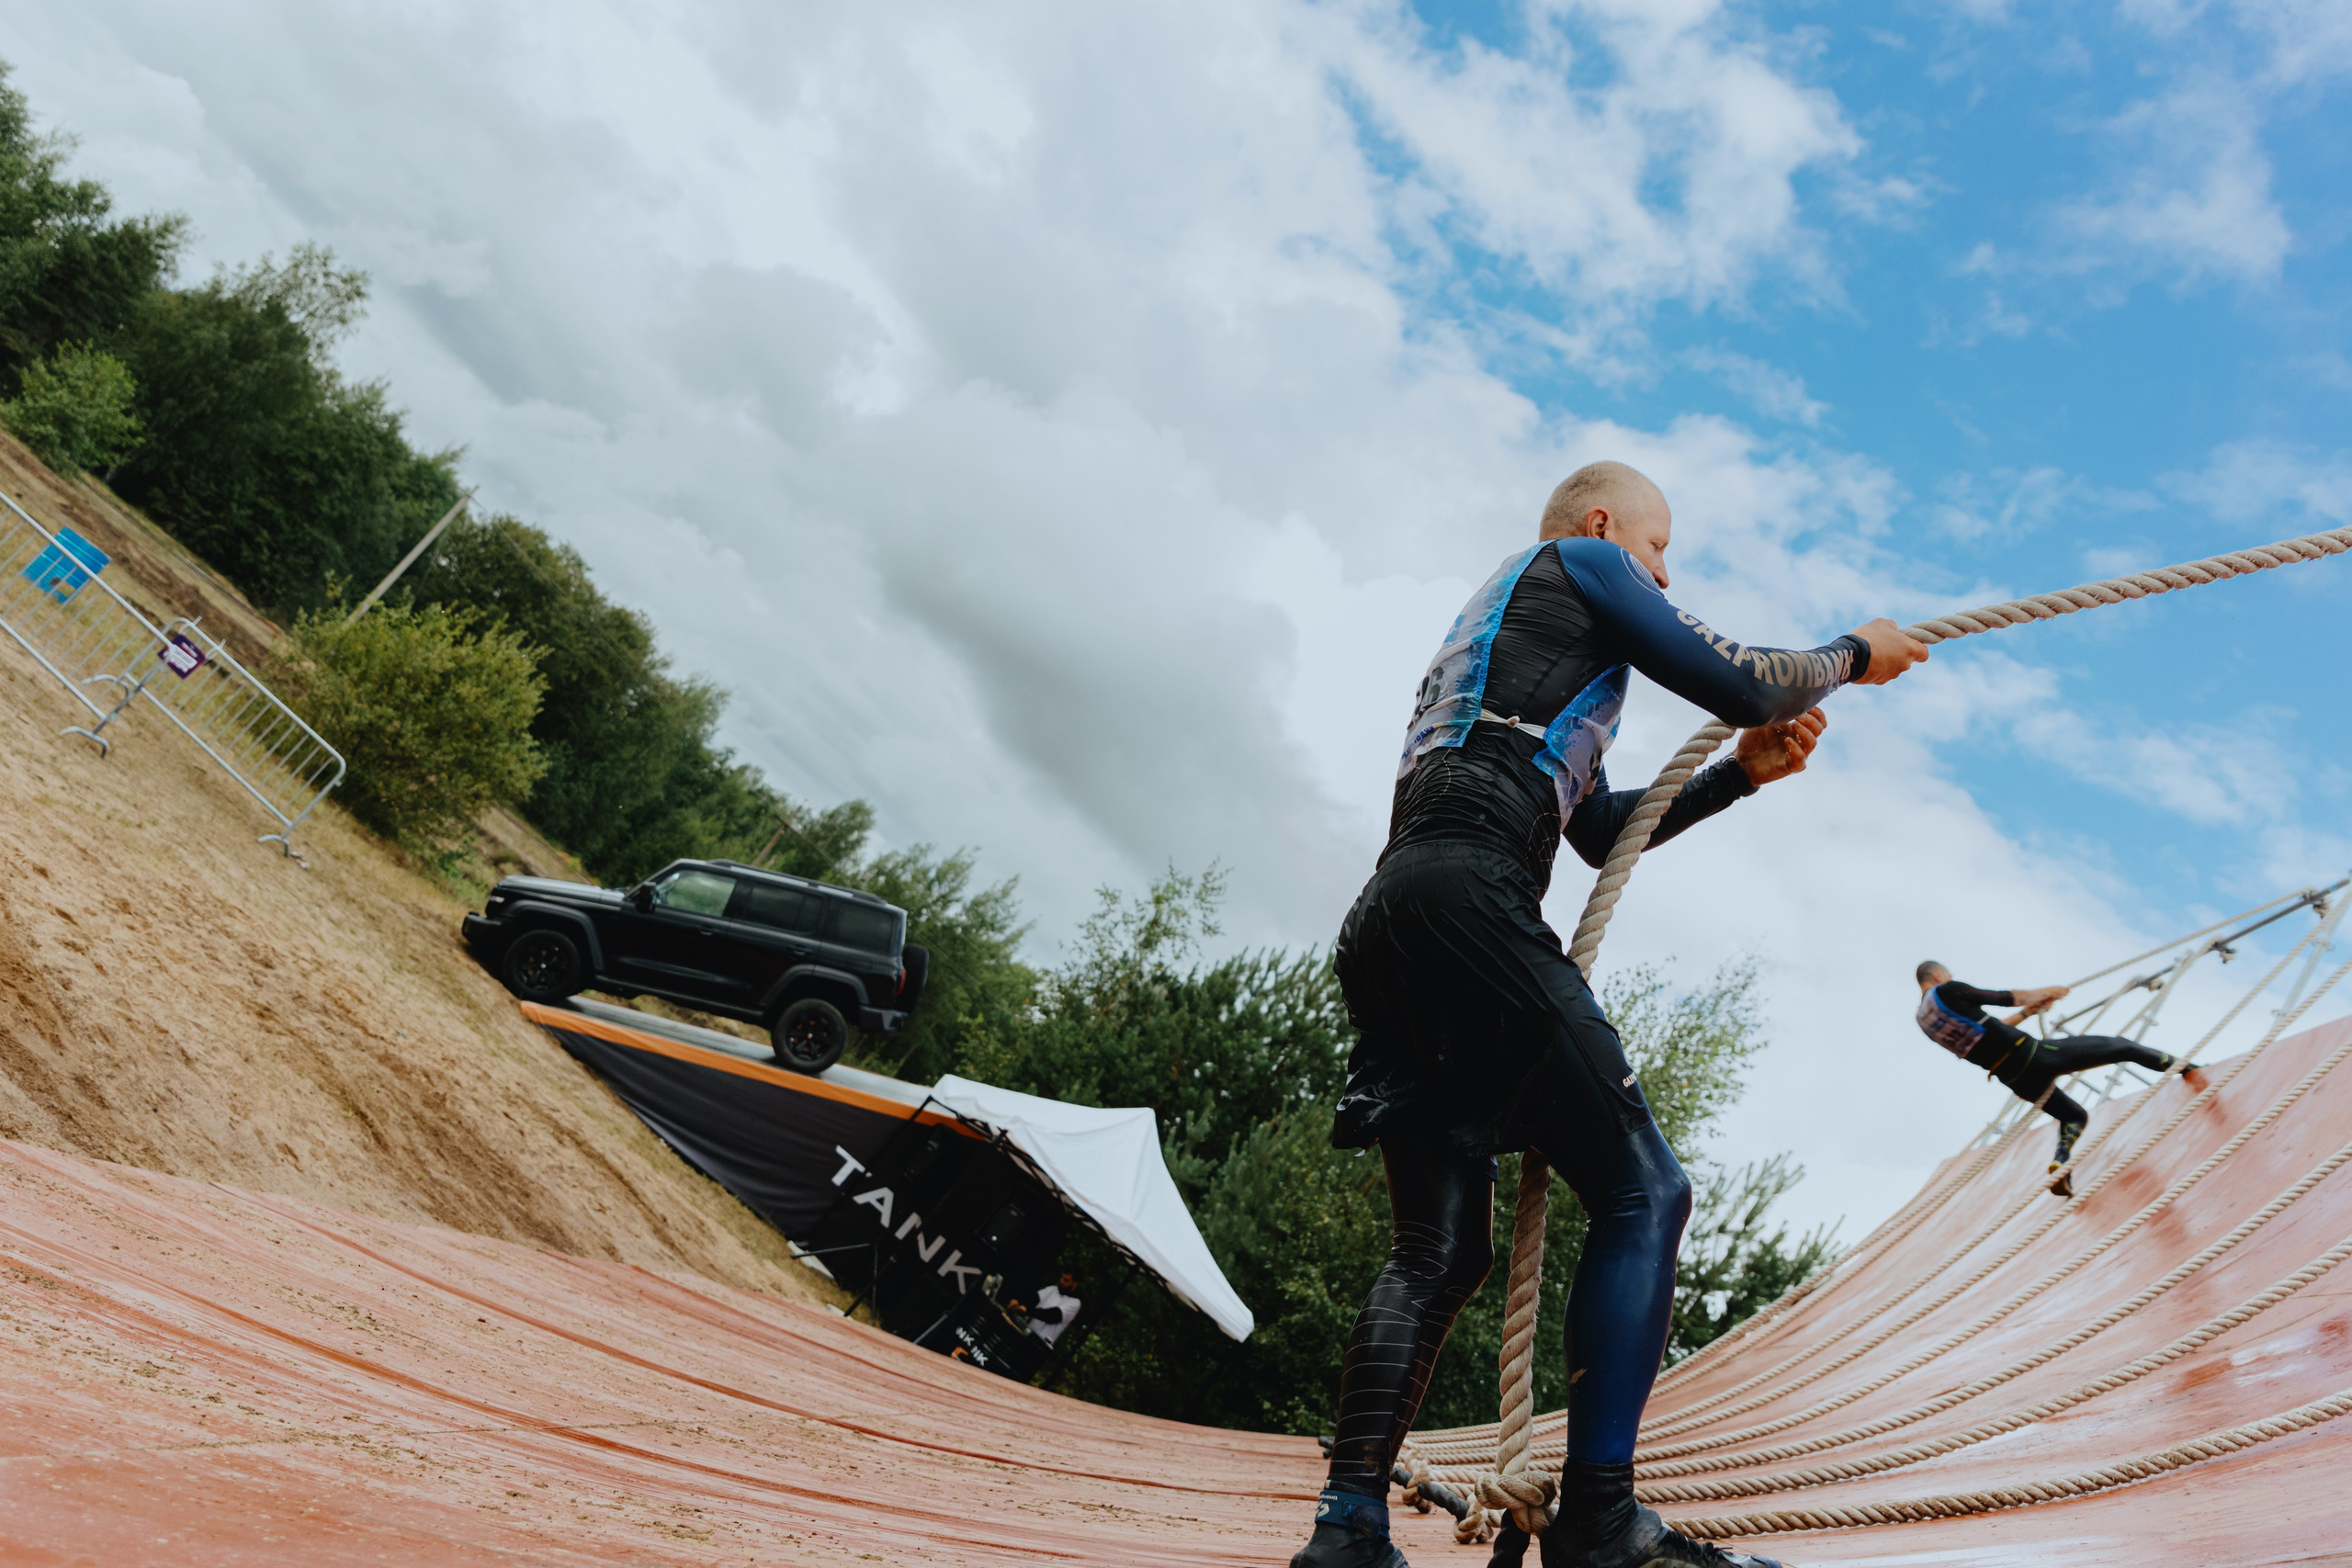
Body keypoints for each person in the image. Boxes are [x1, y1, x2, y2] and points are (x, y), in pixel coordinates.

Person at [1292, 462, 1928, 1568]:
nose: (1665, 571)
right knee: (1646, 1190)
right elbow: (1746, 677)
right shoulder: (1578, 563)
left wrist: (1739, 779)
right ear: (1602, 525)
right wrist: (1849, 655)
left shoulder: (1509, 637)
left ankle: (1346, 1532)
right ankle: (1599, 1523)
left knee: (1434, 1252)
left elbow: (1593, 833)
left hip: (1394, 918)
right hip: (1470, 898)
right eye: (1661, 547)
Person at [1913, 962, 2194, 1197]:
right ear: (1937, 975)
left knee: (2073, 1116)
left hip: (2012, 1076)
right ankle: (2192, 1070)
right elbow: (2003, 997)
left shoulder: (1925, 1019)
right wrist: (2048, 992)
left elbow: (1984, 1030)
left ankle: (2060, 1164)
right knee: (2124, 1047)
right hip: (2034, 1054)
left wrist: (2027, 1013)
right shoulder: (1947, 990)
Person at [1023, 1272, 1082, 1346]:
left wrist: (1027, 1311)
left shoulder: (1075, 1303)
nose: (1061, 1281)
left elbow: (1053, 1316)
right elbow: (1033, 1299)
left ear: (1074, 1284)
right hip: (1026, 1334)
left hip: (1041, 1344)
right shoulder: (1053, 1290)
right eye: (1062, 1278)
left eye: (1066, 1280)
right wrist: (1019, 1303)